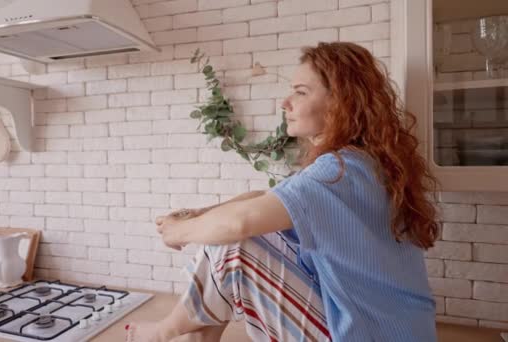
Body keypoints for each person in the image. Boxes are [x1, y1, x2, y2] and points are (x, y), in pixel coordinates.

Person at [126, 41, 439, 342]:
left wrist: (180, 231)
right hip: (394, 330)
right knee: (234, 236)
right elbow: (262, 200)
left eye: (300, 92)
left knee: (234, 247)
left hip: (367, 334)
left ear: (341, 102)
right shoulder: (361, 162)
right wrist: (198, 215)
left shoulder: (338, 171)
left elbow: (241, 223)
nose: (285, 103)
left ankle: (164, 333)